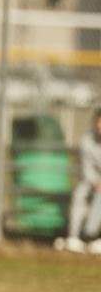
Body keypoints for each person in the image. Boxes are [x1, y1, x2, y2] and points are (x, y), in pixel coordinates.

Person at [61, 108, 101, 254]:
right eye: (98, 123)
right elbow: (86, 168)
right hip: (92, 181)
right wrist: (95, 183)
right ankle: (74, 237)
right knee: (79, 194)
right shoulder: (86, 140)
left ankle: (92, 235)